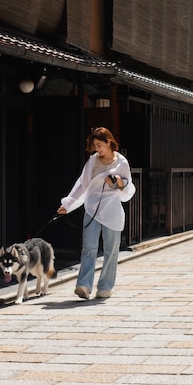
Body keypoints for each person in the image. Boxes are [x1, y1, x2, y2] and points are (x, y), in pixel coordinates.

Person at [57, 127, 136, 300]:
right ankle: (83, 285)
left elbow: (128, 190)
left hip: (113, 211)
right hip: (92, 209)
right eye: (95, 146)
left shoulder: (122, 162)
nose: (97, 149)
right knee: (89, 249)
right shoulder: (93, 161)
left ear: (109, 142)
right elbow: (82, 185)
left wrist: (118, 182)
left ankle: (105, 287)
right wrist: (68, 204)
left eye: (99, 145)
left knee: (111, 251)